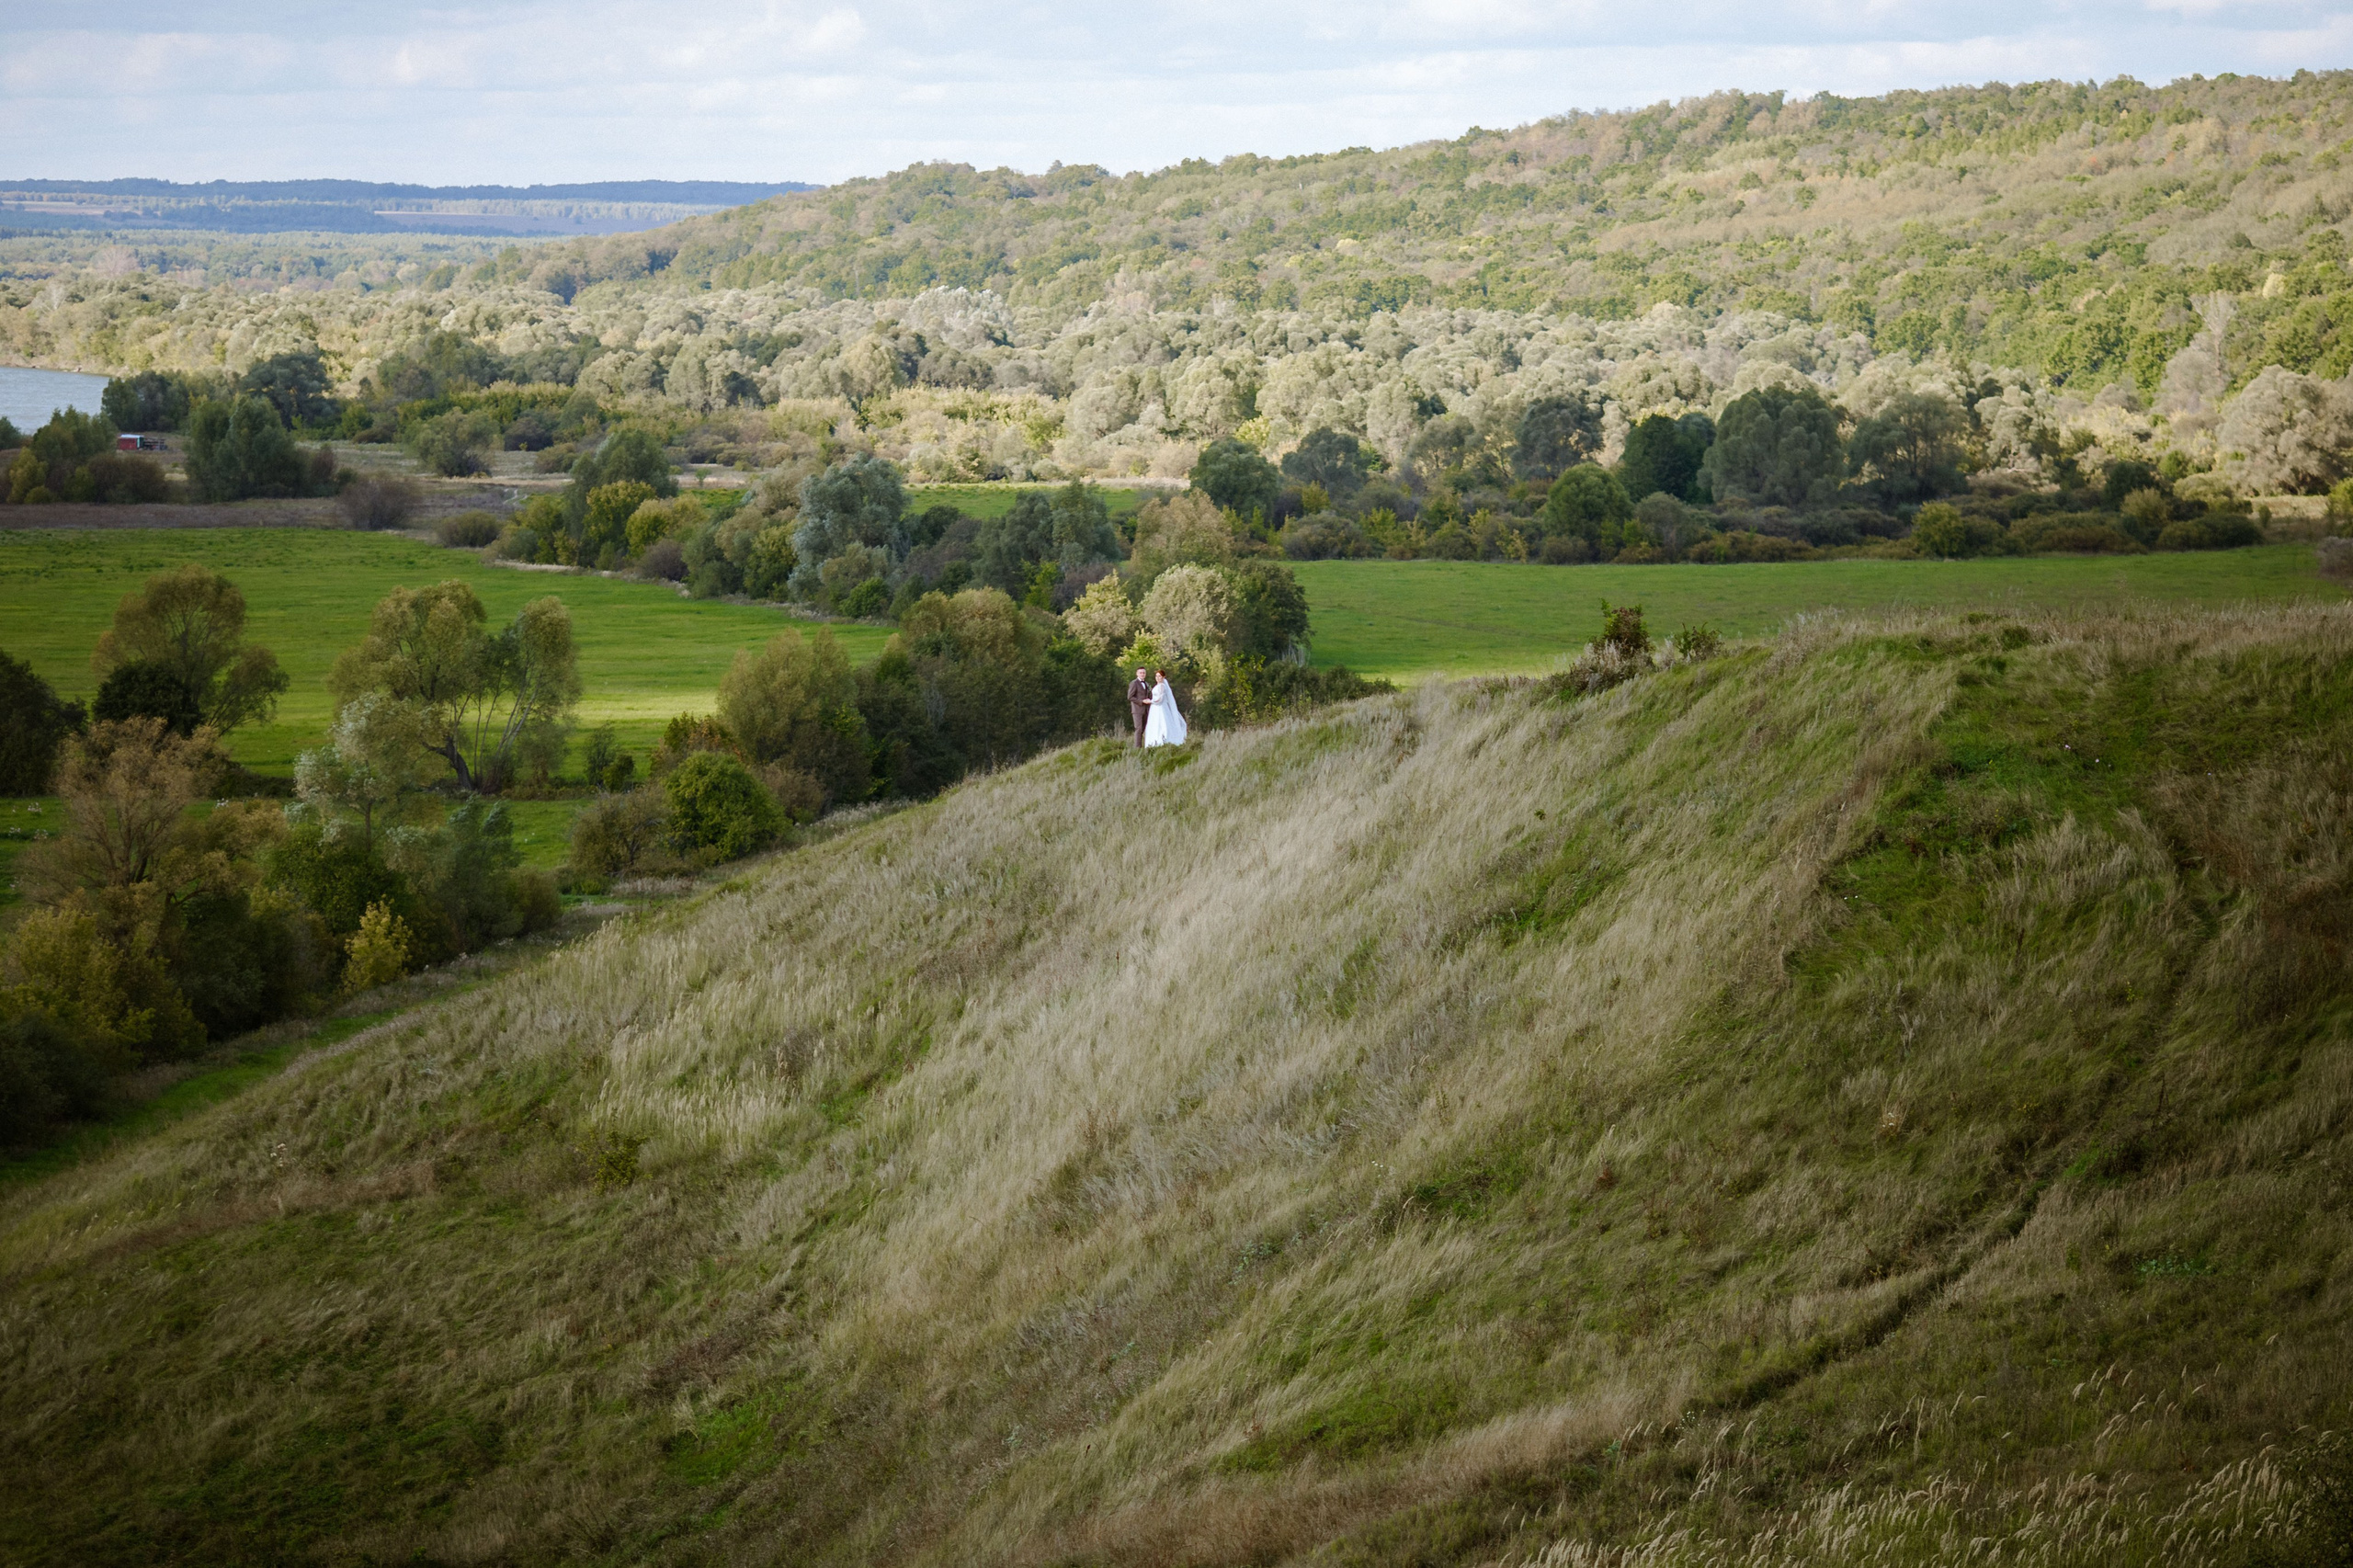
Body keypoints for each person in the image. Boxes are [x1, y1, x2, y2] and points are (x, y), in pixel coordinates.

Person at [1142, 667, 1188, 748]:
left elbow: (1160, 699)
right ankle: (1154, 742)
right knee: (1155, 724)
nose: (1158, 678)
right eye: (1156, 676)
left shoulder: (1162, 686)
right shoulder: (1157, 686)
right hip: (1155, 708)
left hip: (1160, 707)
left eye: (1159, 676)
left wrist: (1150, 701)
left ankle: (1162, 741)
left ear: (1163, 677)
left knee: (1162, 723)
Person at [1127, 666, 1153, 747]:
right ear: (1137, 674)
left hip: (1146, 710)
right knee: (1138, 729)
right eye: (1140, 673)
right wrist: (1141, 702)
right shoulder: (1134, 683)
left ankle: (1143, 746)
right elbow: (1130, 697)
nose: (1142, 674)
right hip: (1137, 710)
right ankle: (1137, 748)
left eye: (1144, 673)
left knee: (1143, 729)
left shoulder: (1147, 684)